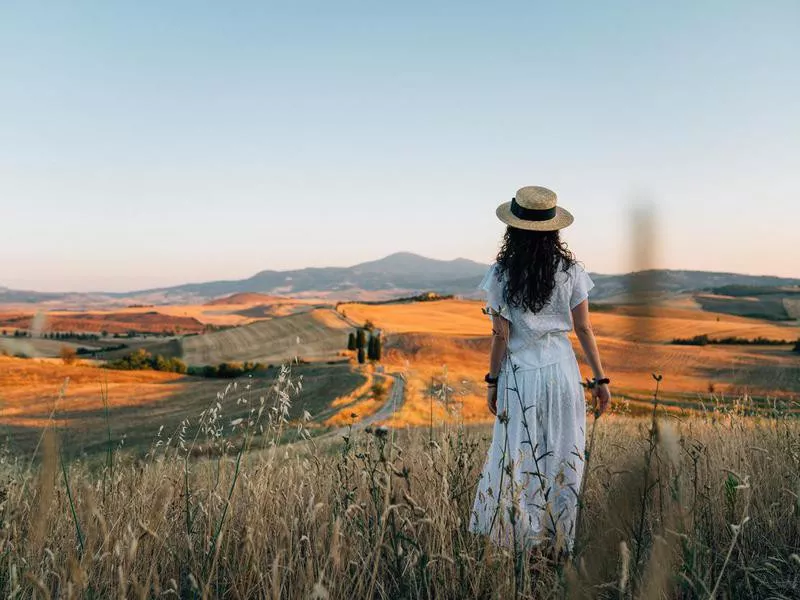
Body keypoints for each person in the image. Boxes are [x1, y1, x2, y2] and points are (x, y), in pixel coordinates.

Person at [469, 186, 611, 558]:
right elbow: (584, 329)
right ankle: (557, 542)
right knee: (563, 453)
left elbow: (500, 334)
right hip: (562, 373)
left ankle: (520, 544)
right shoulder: (572, 271)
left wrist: (492, 380)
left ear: (511, 229)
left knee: (516, 455)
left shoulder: (501, 273)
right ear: (554, 230)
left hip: (520, 376)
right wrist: (600, 379)